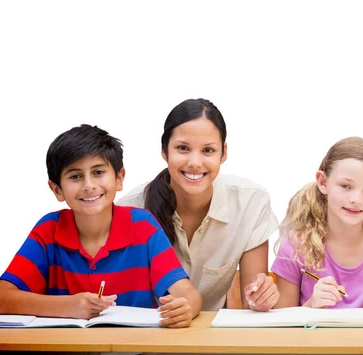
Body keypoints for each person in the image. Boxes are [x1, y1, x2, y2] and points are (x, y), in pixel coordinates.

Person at [0, 124, 202, 328]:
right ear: (57, 190)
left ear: (119, 178)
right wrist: (69, 306)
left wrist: (186, 308)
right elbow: (0, 299)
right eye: (75, 176)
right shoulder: (48, 230)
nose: (89, 185)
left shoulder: (143, 226)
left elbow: (187, 292)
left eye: (98, 172)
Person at [118, 99, 279, 311]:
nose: (195, 162)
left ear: (224, 153)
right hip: (148, 335)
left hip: (211, 336)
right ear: (164, 151)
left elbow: (252, 303)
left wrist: (261, 297)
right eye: (183, 148)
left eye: (208, 150)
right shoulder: (132, 209)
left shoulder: (250, 203)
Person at [272, 137, 363, 310]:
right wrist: (310, 306)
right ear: (323, 182)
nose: (355, 199)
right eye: (346, 186)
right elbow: (282, 327)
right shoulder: (296, 245)